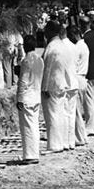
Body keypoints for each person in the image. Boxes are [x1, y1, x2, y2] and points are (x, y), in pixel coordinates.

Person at [41, 21, 74, 153]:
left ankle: (55, 144)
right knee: (61, 113)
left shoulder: (52, 47)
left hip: (52, 84)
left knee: (52, 115)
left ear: (49, 31)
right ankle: (63, 141)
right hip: (63, 83)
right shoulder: (63, 46)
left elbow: (47, 69)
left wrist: (44, 87)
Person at [15, 35, 43, 163]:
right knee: (34, 126)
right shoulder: (39, 60)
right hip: (36, 96)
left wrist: (19, 97)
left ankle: (30, 155)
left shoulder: (26, 61)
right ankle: (34, 153)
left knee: (27, 127)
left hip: (27, 97)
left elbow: (23, 81)